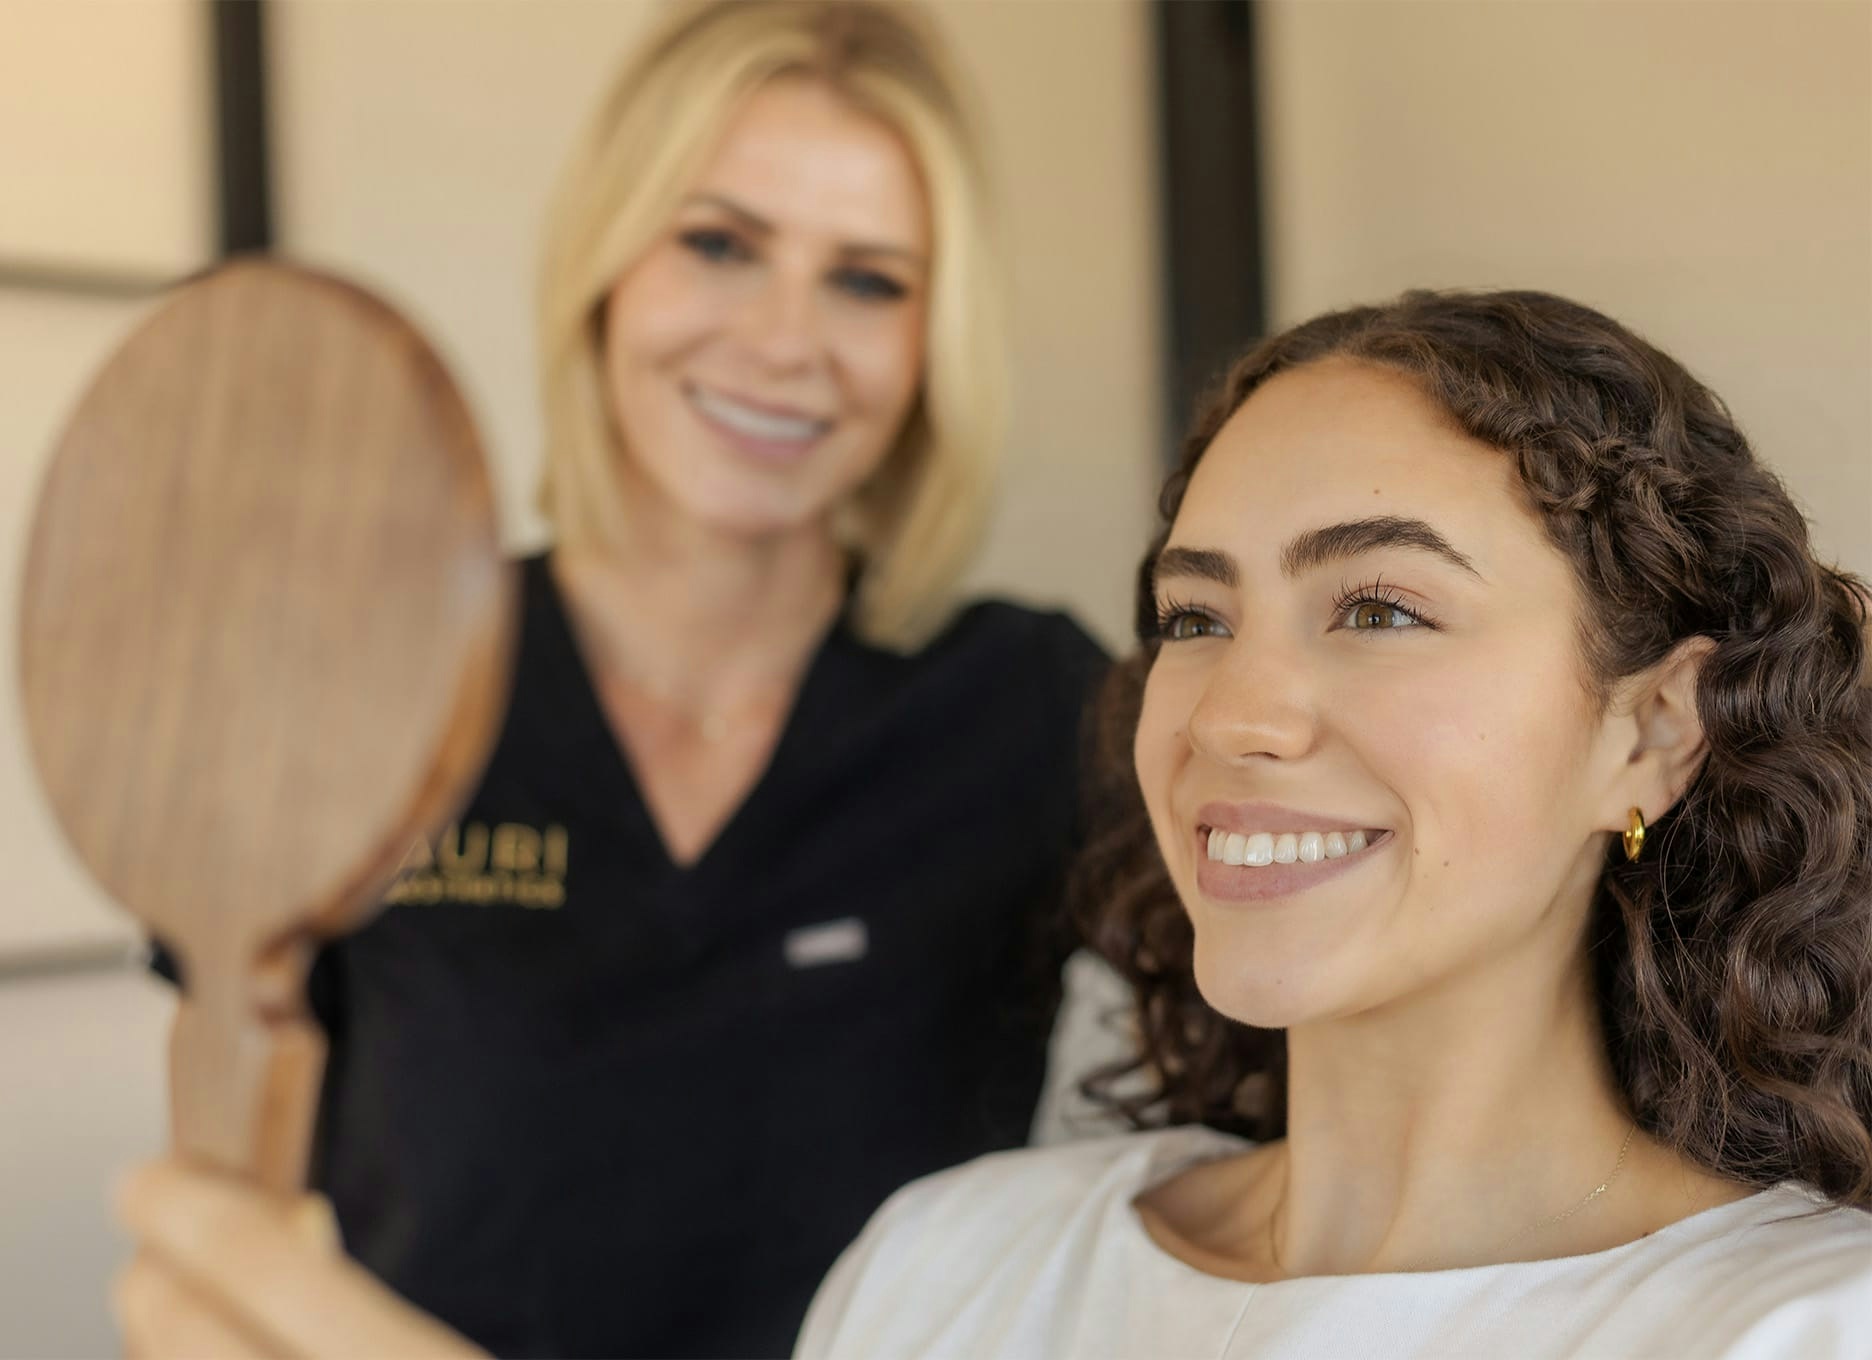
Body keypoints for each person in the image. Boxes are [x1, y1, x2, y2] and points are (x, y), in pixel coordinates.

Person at [118, 291, 1872, 1359]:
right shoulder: (953, 1267)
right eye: (1196, 616)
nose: (1238, 711)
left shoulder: (1789, 1330)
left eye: (1381, 610)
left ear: (1652, 733)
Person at [150, 3, 1106, 1356]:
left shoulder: (1025, 708)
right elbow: (222, 1235)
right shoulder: (373, 679)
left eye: (869, 280)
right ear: (605, 265)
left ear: (934, 340)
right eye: (718, 244)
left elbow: (1314, 1055)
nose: (785, 341)